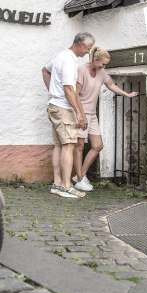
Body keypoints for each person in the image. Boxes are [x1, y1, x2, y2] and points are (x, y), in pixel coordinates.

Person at [73, 46, 138, 192]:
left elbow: (110, 85)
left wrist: (126, 94)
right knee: (79, 147)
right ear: (95, 59)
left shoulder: (101, 72)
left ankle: (80, 176)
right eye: (103, 64)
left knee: (97, 146)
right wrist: (79, 114)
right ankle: (80, 178)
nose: (104, 67)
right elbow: (75, 94)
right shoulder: (81, 70)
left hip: (92, 115)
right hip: (81, 113)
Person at [42, 32, 95, 198]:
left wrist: (52, 92)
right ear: (80, 45)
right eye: (87, 48)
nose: (88, 52)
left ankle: (57, 183)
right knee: (69, 145)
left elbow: (45, 70)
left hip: (55, 106)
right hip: (63, 108)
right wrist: (79, 113)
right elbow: (68, 89)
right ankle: (65, 186)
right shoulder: (69, 60)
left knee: (59, 145)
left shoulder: (60, 56)